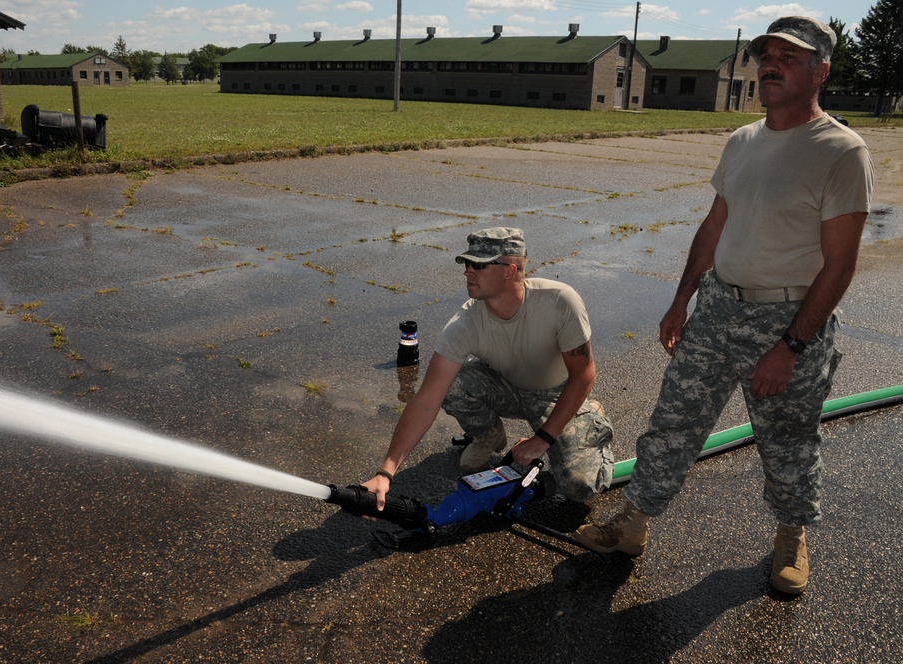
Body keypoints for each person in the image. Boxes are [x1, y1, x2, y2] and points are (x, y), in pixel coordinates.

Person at [571, 16, 874, 596]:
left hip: (785, 320)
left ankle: (791, 537)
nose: (772, 64)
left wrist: (790, 346)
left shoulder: (841, 151)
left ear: (822, 71)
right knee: (673, 421)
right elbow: (714, 225)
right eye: (767, 54)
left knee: (788, 438)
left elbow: (840, 265)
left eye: (789, 56)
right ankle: (633, 524)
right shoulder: (742, 140)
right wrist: (681, 298)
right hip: (715, 308)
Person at [362, 227, 615, 511]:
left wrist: (542, 439)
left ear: (509, 270)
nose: (467, 271)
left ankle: (592, 422)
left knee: (579, 486)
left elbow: (584, 375)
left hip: (556, 394)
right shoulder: (465, 323)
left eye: (478, 265)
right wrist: (386, 473)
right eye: (467, 263)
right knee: (452, 383)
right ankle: (488, 434)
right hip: (505, 386)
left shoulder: (559, 301)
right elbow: (426, 400)